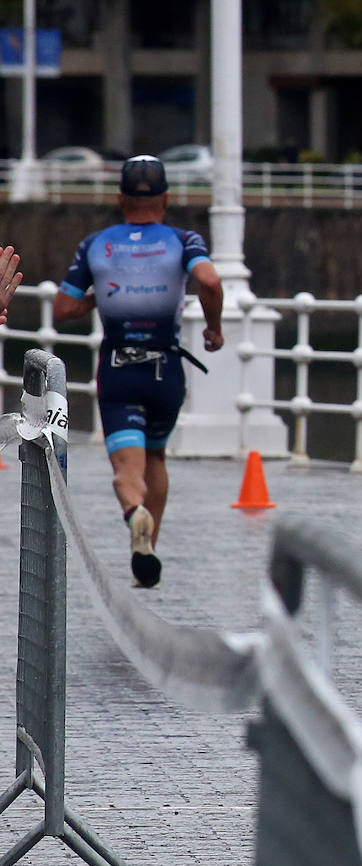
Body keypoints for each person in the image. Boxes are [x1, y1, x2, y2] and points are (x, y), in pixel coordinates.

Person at [53, 155, 224, 589]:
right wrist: (214, 327)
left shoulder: (96, 244)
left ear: (120, 199)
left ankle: (135, 512)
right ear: (166, 199)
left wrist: (98, 299)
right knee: (157, 457)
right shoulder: (184, 240)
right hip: (166, 368)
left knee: (128, 469)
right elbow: (210, 281)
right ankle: (146, 547)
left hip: (118, 368)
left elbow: (63, 309)